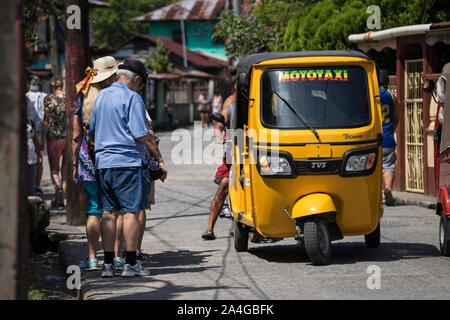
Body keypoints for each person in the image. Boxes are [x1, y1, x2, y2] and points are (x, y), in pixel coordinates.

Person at [90, 58, 167, 278]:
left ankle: (107, 265)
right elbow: (138, 133)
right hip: (128, 163)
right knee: (131, 212)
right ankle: (130, 264)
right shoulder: (133, 98)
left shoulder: (101, 95)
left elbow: (93, 130)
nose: (139, 86)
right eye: (141, 82)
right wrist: (150, 135)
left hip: (103, 163)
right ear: (135, 79)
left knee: (108, 212)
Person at [72, 56, 119, 270]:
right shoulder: (114, 95)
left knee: (93, 209)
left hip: (87, 158)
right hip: (111, 156)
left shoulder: (83, 95)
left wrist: (75, 162)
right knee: (113, 209)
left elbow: (75, 135)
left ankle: (91, 258)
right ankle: (116, 256)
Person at [202, 80, 236, 240]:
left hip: (256, 149)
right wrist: (218, 137)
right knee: (223, 187)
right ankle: (209, 228)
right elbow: (218, 126)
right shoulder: (231, 101)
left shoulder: (261, 97)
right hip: (235, 150)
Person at [42, 76, 67, 209]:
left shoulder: (48, 99)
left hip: (53, 137)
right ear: (61, 86)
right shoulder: (68, 97)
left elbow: (45, 120)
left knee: (54, 170)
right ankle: (61, 199)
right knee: (65, 170)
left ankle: (58, 191)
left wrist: (41, 139)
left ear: (51, 86)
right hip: (67, 138)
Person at [379, 69, 399, 206]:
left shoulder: (370, 95)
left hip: (372, 138)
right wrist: (391, 130)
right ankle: (388, 189)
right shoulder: (391, 96)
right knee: (388, 166)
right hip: (388, 138)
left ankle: (374, 194)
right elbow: (396, 117)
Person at [26, 75, 47, 194]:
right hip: (36, 131)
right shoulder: (43, 96)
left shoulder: (26, 96)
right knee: (39, 159)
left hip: (29, 129)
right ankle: (37, 185)